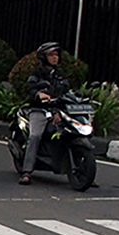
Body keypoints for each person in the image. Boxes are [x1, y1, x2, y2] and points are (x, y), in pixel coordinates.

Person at [19, 41, 69, 185]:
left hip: (58, 111)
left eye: (56, 54)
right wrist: (38, 95)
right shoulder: (37, 74)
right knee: (35, 135)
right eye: (51, 55)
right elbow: (30, 89)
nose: (55, 57)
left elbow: (67, 93)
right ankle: (27, 171)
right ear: (43, 57)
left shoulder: (60, 76)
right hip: (39, 110)